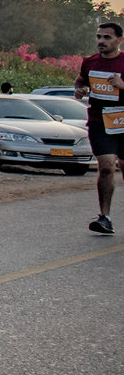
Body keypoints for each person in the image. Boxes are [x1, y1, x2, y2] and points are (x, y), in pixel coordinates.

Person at [77, 20, 124, 234]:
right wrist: (80, 89)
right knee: (106, 166)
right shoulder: (90, 62)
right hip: (100, 121)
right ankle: (104, 217)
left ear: (119, 40)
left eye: (107, 37)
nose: (101, 41)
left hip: (123, 122)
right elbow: (80, 81)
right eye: (99, 37)